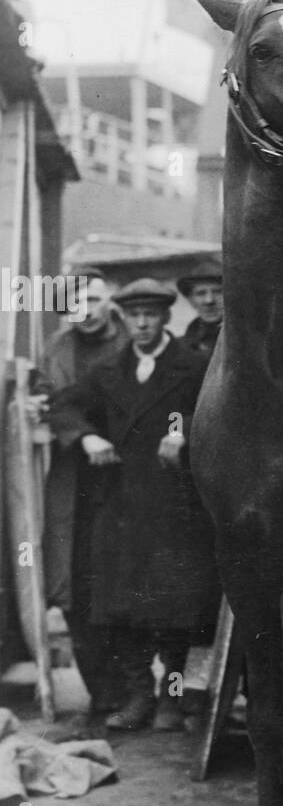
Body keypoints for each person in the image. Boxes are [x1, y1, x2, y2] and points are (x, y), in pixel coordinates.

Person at [49, 279, 218, 732]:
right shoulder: (107, 371)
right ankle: (140, 697)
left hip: (175, 504)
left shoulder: (195, 366)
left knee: (176, 613)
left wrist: (187, 434)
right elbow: (63, 407)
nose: (142, 323)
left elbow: (220, 414)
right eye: (134, 315)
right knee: (123, 610)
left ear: (166, 318)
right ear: (125, 318)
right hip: (120, 504)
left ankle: (172, 698)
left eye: (151, 314)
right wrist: (87, 436)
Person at [30, 269, 130, 716]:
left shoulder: (135, 338)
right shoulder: (56, 349)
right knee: (72, 582)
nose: (84, 311)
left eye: (92, 299)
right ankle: (103, 695)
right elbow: (47, 398)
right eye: (73, 303)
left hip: (129, 473)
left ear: (108, 300)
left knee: (128, 578)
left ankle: (148, 693)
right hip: (74, 476)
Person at [177, 258, 223, 362]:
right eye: (201, 293)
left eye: (217, 292)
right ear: (191, 301)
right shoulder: (179, 348)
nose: (209, 300)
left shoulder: (247, 340)